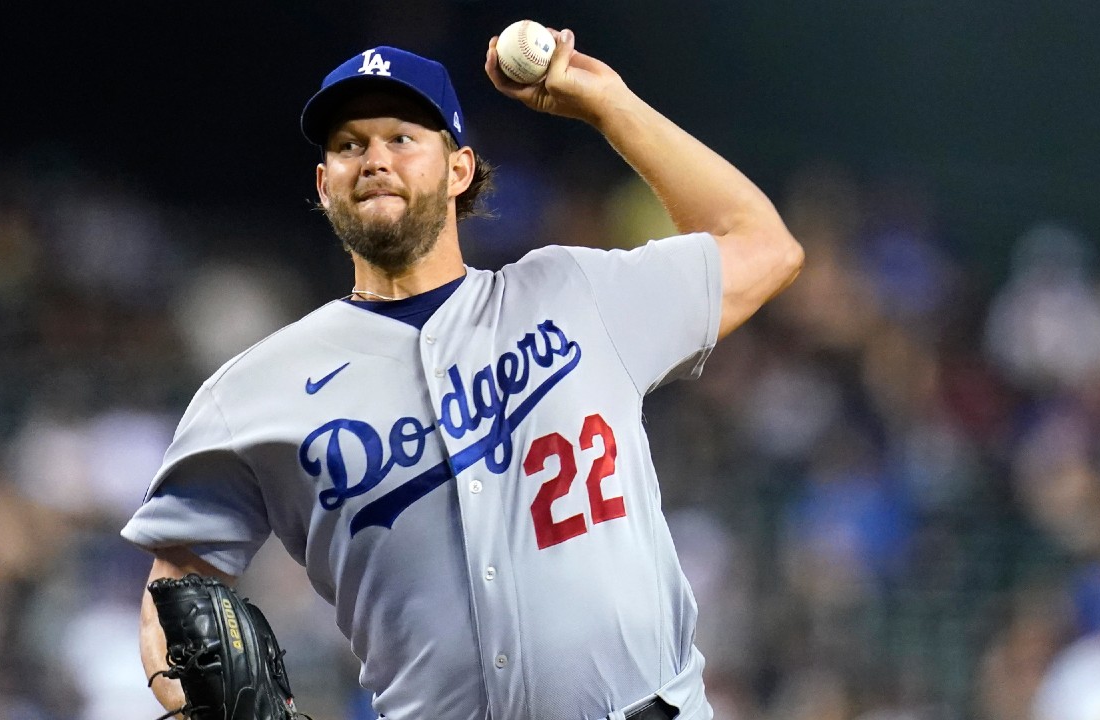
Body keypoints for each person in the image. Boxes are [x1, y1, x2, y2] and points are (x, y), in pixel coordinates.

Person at [125, 27, 803, 720]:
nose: (374, 158)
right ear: (324, 185)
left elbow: (762, 246)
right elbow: (174, 589)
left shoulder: (576, 292)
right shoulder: (254, 392)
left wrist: (610, 106)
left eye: (402, 137)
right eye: (350, 144)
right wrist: (181, 705)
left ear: (459, 169)